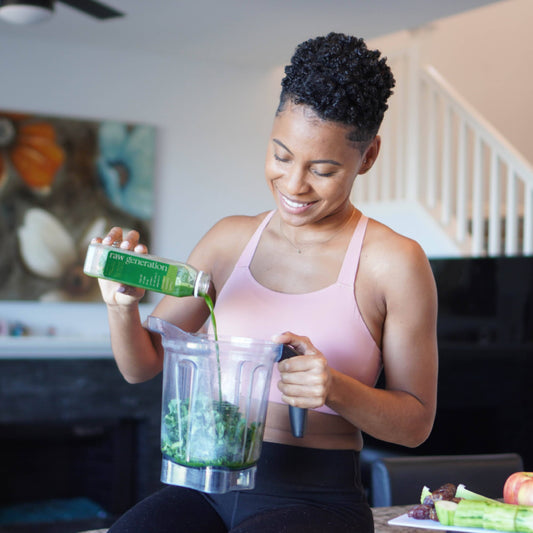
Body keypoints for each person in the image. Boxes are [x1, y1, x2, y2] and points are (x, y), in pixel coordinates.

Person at [95, 32, 438, 533]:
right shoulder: (228, 241)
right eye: (281, 156)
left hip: (317, 500)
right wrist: (120, 306)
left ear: (367, 157)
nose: (294, 185)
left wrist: (335, 388)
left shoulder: (394, 262)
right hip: (204, 484)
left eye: (323, 170)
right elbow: (142, 365)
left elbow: (415, 424)